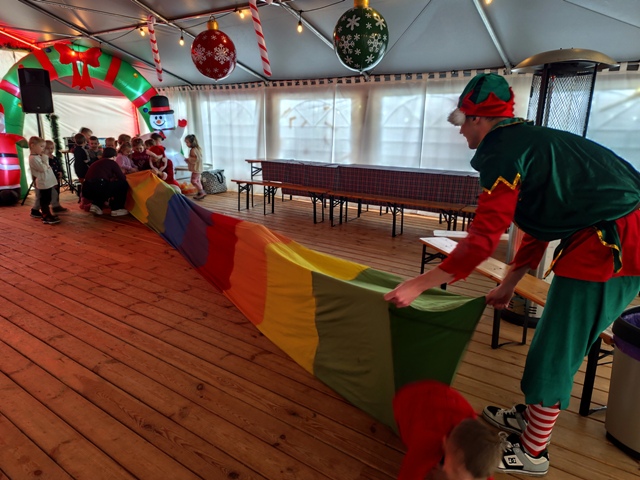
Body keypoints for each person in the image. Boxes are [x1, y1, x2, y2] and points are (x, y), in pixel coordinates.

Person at [384, 73, 640, 476]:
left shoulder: (502, 151)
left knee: (557, 345)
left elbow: (483, 238)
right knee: (553, 338)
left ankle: (534, 452)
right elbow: (540, 222)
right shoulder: (526, 142)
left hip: (612, 245)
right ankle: (532, 418)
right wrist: (509, 283)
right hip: (601, 236)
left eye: (461, 121)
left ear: (477, 118)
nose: (461, 132)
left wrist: (419, 283)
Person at [394, 380, 502, 480]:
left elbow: (482, 464)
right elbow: (408, 475)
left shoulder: (473, 433)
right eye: (454, 470)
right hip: (407, 401)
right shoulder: (427, 445)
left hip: (441, 395)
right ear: (444, 443)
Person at [82, 147, 129, 217]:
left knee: (103, 186)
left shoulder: (96, 163)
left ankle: (96, 206)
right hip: (100, 186)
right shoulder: (112, 162)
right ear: (114, 156)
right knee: (123, 184)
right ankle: (117, 208)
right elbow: (122, 177)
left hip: (86, 189)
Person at [31, 140, 69, 217]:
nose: (50, 150)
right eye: (47, 148)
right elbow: (41, 169)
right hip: (44, 181)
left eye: (52, 148)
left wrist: (60, 172)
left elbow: (58, 166)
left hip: (53, 179)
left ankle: (55, 206)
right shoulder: (41, 159)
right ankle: (35, 210)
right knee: (41, 196)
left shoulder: (54, 158)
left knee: (54, 194)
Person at [28, 136, 60, 224]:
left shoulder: (38, 156)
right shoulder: (33, 158)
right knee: (44, 200)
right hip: (43, 182)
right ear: (33, 146)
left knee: (47, 198)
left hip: (47, 181)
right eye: (41, 146)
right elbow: (43, 168)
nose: (43, 149)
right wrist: (45, 158)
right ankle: (46, 215)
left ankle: (47, 213)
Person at [184, 134, 206, 201]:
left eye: (187, 142)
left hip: (196, 169)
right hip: (199, 168)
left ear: (192, 142)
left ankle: (201, 192)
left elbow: (195, 159)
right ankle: (200, 192)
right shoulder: (197, 149)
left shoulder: (193, 150)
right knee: (198, 180)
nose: (186, 144)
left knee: (193, 181)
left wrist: (188, 159)